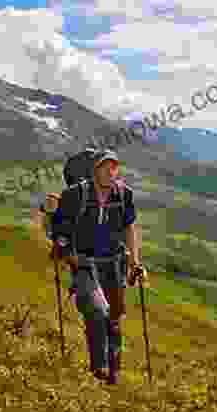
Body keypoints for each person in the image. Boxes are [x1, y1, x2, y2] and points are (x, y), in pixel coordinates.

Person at [49, 148, 141, 384]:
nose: (110, 172)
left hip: (114, 265)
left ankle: (113, 372)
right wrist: (67, 255)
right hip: (85, 264)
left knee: (114, 317)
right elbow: (60, 231)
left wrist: (134, 261)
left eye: (114, 167)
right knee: (98, 310)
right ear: (94, 171)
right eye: (104, 167)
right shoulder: (75, 196)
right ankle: (99, 368)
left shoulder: (123, 196)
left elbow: (130, 227)